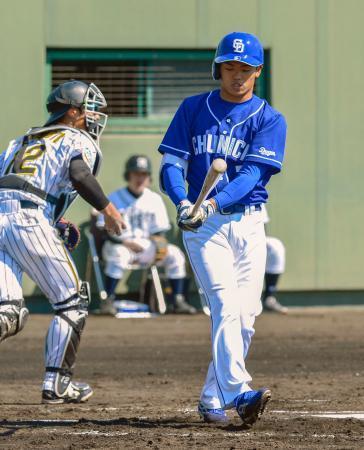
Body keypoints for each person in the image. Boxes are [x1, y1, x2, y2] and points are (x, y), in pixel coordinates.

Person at [158, 32, 287, 426]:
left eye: (245, 68)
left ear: (257, 72)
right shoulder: (193, 108)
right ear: (218, 68)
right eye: (229, 67)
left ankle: (213, 394)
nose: (237, 75)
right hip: (204, 228)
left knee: (246, 314)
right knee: (224, 305)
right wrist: (182, 200)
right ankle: (238, 393)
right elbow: (171, 165)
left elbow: (251, 175)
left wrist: (213, 201)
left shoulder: (269, 118)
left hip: (248, 222)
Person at [0, 80, 125, 404]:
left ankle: (56, 383)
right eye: (89, 110)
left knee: (9, 314)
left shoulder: (21, 139)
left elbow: (15, 186)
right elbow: (80, 175)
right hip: (28, 220)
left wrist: (49, 218)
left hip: (7, 217)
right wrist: (108, 210)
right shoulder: (74, 136)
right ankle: (57, 383)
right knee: (73, 302)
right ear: (73, 112)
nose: (94, 117)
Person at [96, 154, 196, 314]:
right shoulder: (114, 197)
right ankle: (109, 300)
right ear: (128, 175)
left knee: (176, 255)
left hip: (145, 246)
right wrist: (124, 243)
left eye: (143, 174)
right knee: (119, 255)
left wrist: (159, 243)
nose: (139, 178)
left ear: (149, 177)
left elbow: (160, 231)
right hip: (118, 244)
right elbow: (103, 230)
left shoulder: (154, 199)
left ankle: (178, 300)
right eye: (136, 174)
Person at [261, 205, 288, 314]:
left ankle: (269, 298)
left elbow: (262, 228)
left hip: (251, 238)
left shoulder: (256, 194)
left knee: (276, 247)